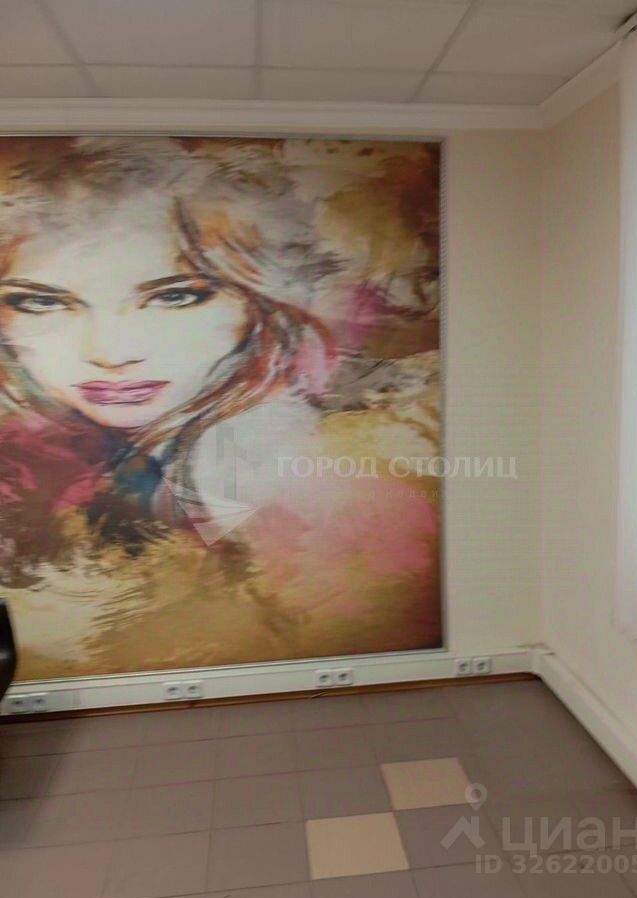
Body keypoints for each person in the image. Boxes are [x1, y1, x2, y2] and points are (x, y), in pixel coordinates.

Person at [0, 137, 441, 677]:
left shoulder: (327, 482)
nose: (110, 353)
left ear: (260, 306)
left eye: (176, 296)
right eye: (41, 302)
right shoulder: (72, 459)